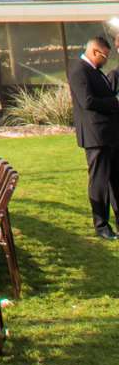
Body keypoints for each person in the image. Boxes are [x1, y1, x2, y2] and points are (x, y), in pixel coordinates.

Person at [68, 26, 119, 241]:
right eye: (105, 56)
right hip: (95, 137)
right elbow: (87, 101)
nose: (106, 60)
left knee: (116, 179)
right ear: (95, 52)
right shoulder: (79, 70)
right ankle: (101, 225)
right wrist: (114, 102)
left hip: (109, 135)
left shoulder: (95, 71)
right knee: (99, 181)